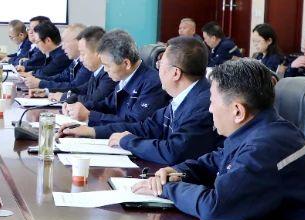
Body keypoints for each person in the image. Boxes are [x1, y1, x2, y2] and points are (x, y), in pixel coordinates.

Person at [132, 58, 305, 220]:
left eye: (212, 102)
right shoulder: (260, 128)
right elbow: (215, 160)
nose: (210, 109)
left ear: (238, 111)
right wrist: (178, 172)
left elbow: (215, 206)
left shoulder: (266, 146)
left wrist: (167, 188)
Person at [65, 36, 223, 166]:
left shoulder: (203, 104)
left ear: (175, 73)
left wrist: (128, 141)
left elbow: (173, 151)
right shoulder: (186, 96)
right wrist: (92, 131)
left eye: (160, 64)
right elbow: (147, 127)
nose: (157, 69)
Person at [62, 29, 166, 128]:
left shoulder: (153, 83)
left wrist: (89, 116)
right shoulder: (125, 77)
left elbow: (134, 123)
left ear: (126, 63)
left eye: (107, 65)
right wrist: (81, 106)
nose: (105, 70)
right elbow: (108, 105)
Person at [24, 23, 86, 92]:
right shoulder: (75, 60)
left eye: (66, 42)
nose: (63, 47)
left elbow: (74, 87)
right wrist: (38, 80)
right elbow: (61, 77)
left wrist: (40, 83)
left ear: (79, 42)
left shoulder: (86, 64)